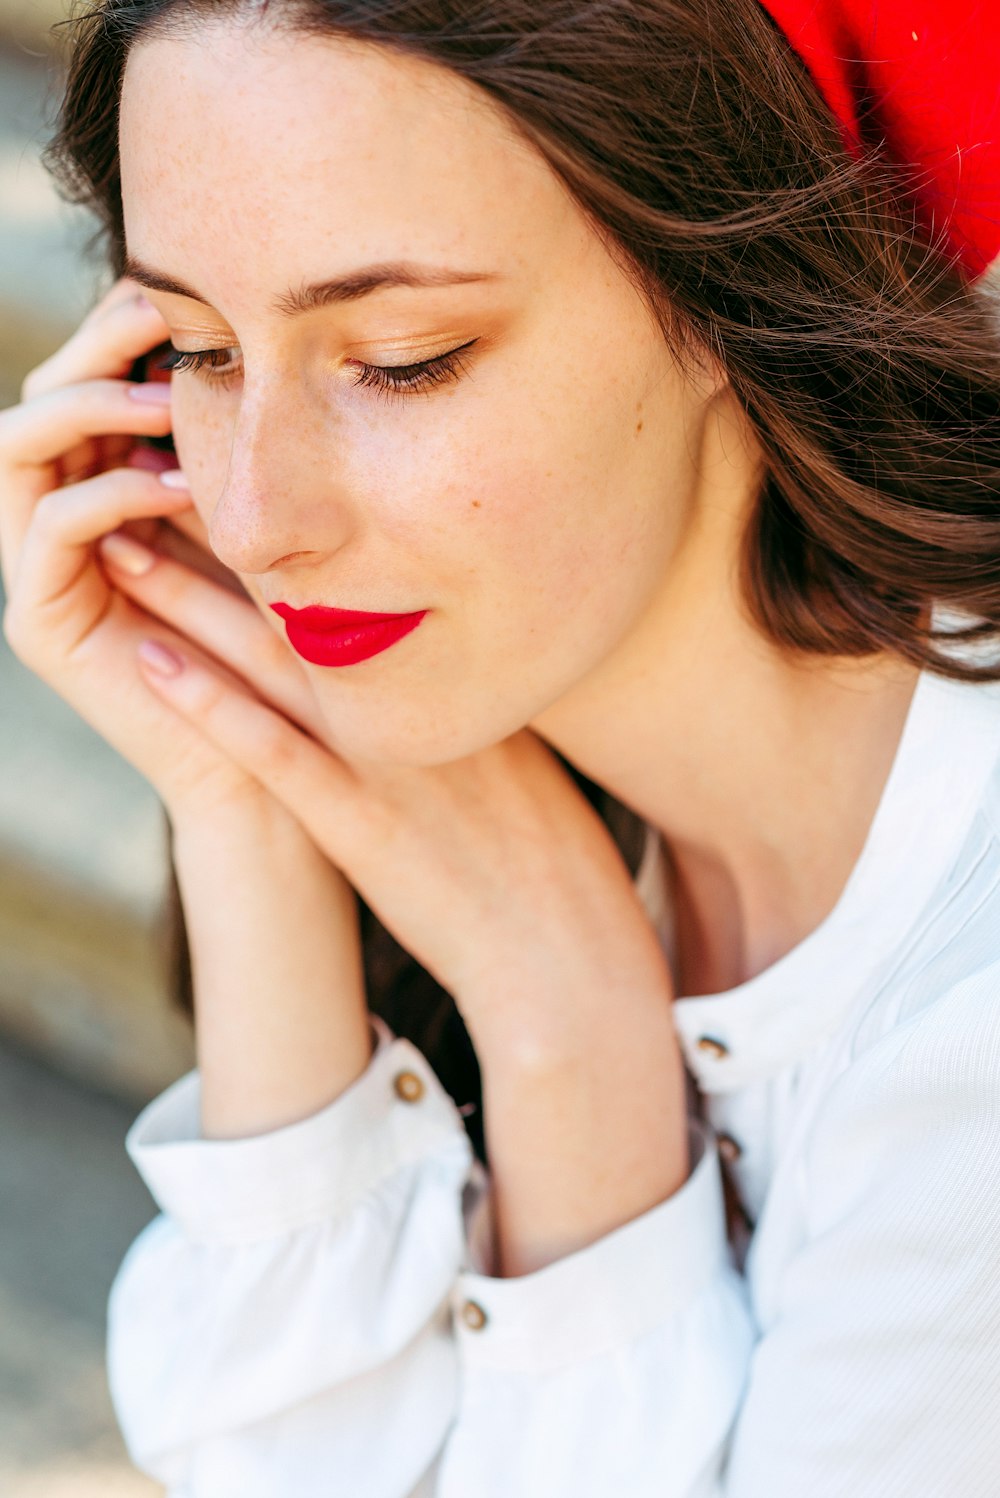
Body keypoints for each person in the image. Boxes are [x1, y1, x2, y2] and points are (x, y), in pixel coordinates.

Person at [1, 0, 998, 1492]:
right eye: (199, 350)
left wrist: (568, 1030)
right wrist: (250, 797)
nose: (258, 516)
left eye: (405, 359)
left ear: (730, 285)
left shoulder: (963, 1062)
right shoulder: (486, 771)